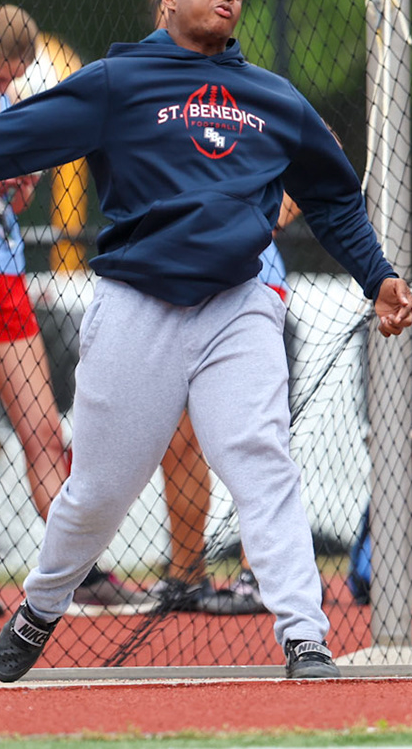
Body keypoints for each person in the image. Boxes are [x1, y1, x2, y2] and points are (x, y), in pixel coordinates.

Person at [0, 0, 412, 682]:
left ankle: (304, 636)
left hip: (239, 301)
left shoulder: (273, 98)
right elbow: (9, 136)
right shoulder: (118, 81)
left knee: (261, 462)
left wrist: (376, 276)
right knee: (100, 488)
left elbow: (333, 195)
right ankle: (41, 603)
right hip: (137, 304)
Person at [0, 5, 153, 619]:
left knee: (43, 427)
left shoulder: (9, 99)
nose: (1, 85)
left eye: (11, 76)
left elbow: (12, 185)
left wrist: (16, 181)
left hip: (4, 269)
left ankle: (81, 569)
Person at [155, 205, 294, 616]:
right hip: (189, 281)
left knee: (250, 437)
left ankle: (261, 575)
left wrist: (249, 215)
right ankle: (188, 575)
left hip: (255, 283)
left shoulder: (266, 138)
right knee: (178, 442)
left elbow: (321, 158)